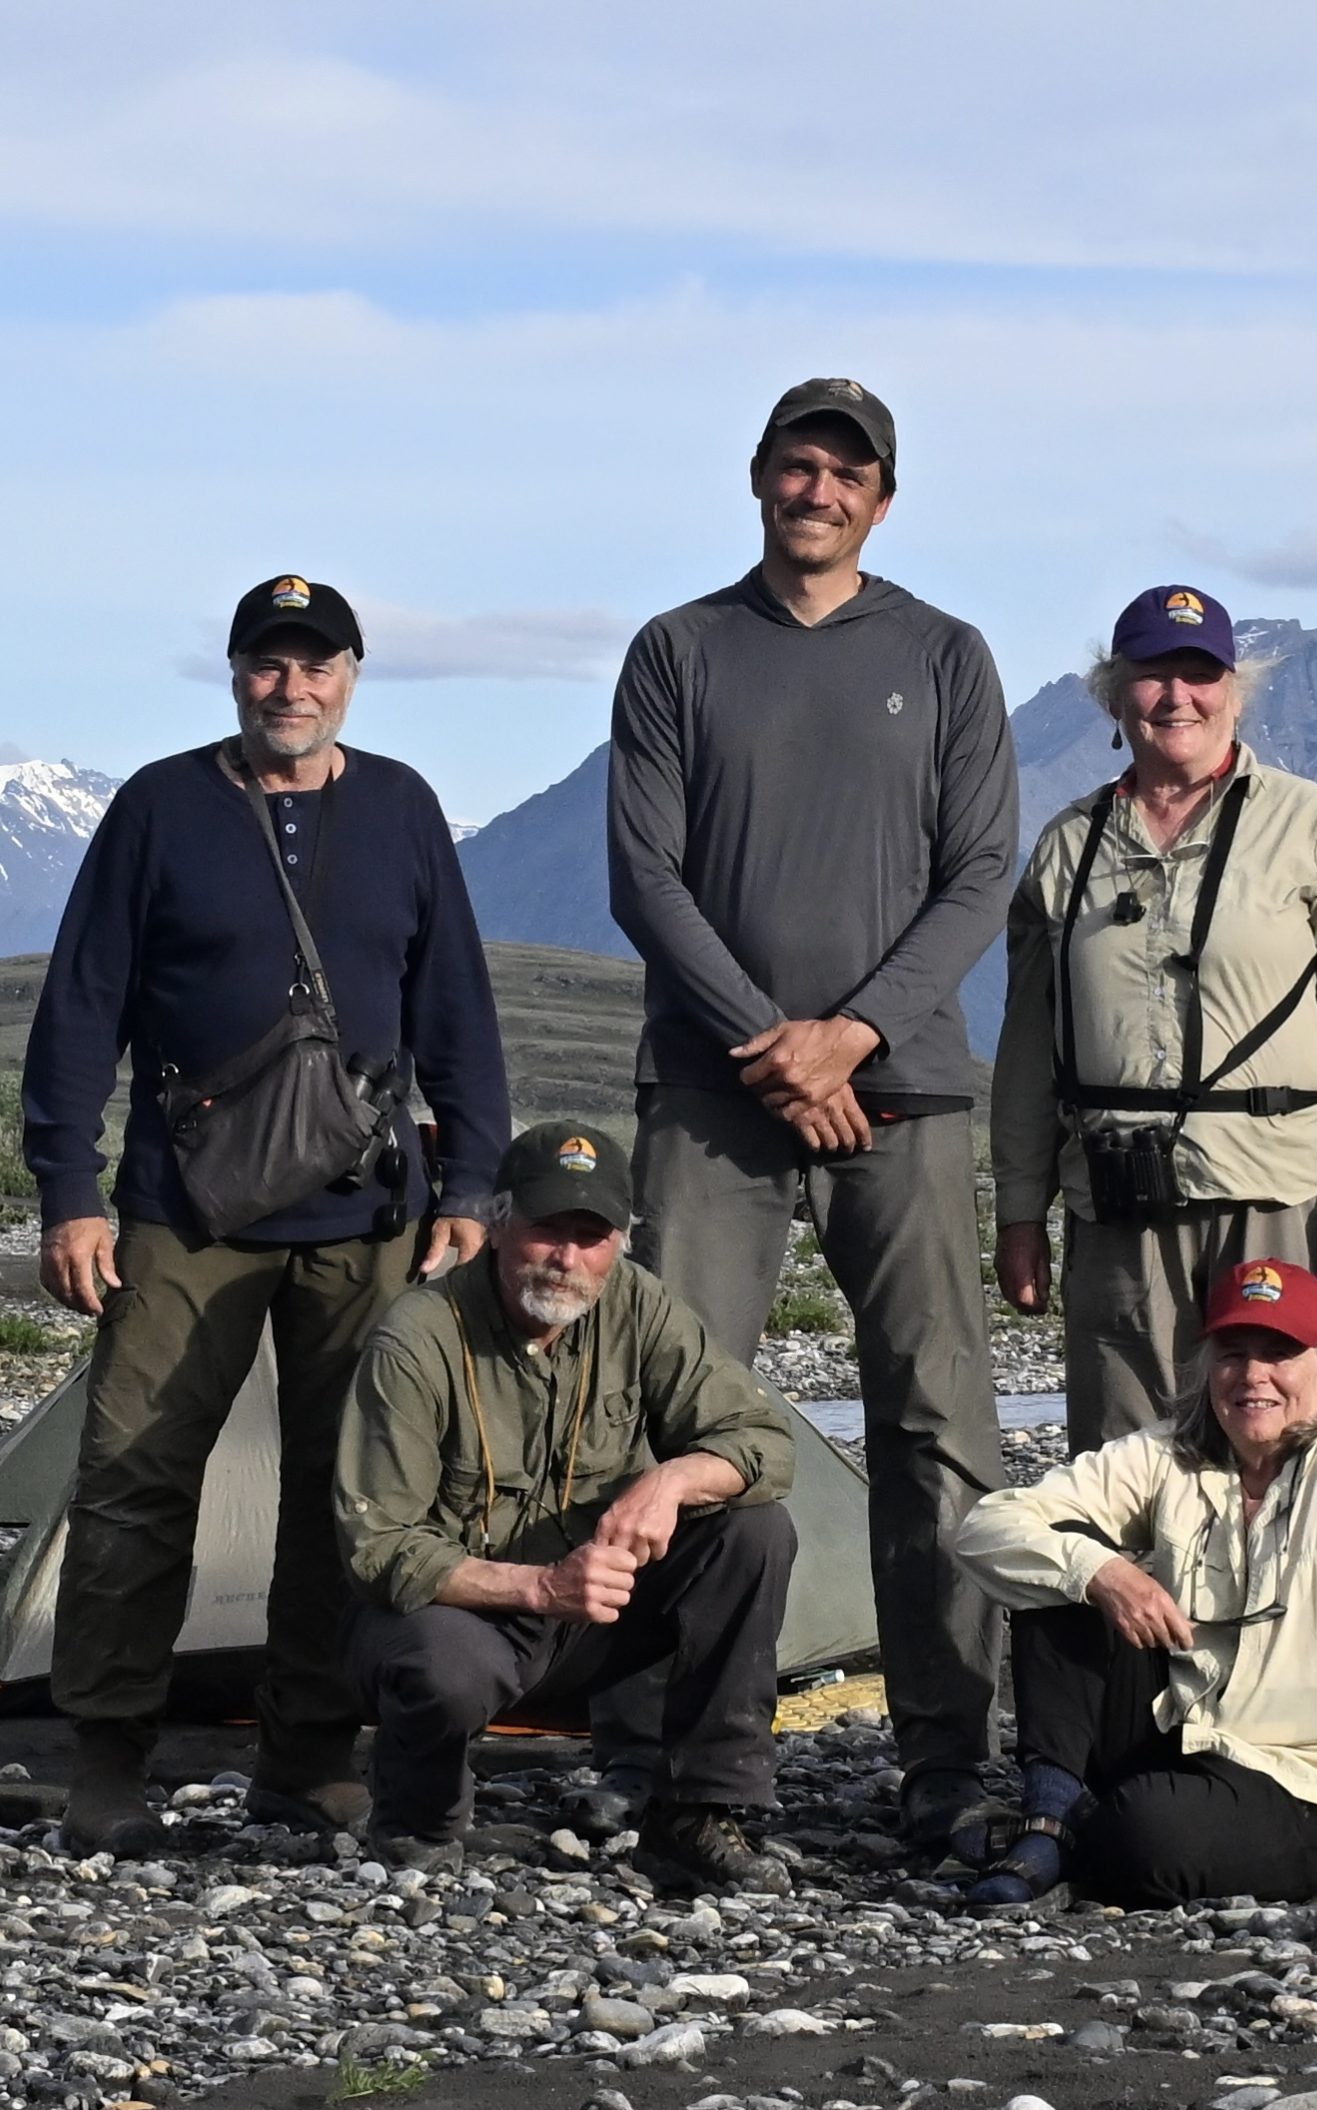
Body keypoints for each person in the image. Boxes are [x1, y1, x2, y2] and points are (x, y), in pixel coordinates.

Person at [22, 575, 508, 1857]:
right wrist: (68, 1194)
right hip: (182, 1211)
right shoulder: (159, 806)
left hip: (366, 1213)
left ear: (351, 673)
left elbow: (455, 1003)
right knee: (131, 1479)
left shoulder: (402, 806)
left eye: (314, 665)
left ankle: (307, 1754)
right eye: (266, 663)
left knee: (347, 1495)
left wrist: (470, 1191)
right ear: (234, 672)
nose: (290, 687)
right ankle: (108, 1760)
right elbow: (81, 1008)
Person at [606, 377, 1017, 1849]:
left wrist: (847, 1035)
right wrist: (770, 1043)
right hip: (712, 1098)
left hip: (902, 1096)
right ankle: (662, 1735)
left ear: (884, 499)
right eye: (798, 464)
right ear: (761, 479)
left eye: (849, 471)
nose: (820, 488)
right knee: (669, 1406)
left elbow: (980, 874)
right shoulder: (677, 653)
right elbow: (644, 878)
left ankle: (948, 1748)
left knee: (936, 1418)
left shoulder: (946, 656)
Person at [990, 584, 1317, 1454]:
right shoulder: (1067, 847)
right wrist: (1020, 1206)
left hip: (1277, 1192)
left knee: (1288, 1436)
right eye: (1153, 674)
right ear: (1116, 693)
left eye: (1200, 673)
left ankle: (1293, 1597)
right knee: (1124, 1451)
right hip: (1114, 1199)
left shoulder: (1310, 823)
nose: (1177, 696)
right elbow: (1030, 1047)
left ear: (1234, 688)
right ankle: (1141, 1596)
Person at [336, 1122, 799, 1893]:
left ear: (619, 1241)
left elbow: (762, 1442)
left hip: (590, 1616)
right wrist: (542, 1588)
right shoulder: (416, 1336)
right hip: (464, 1610)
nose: (567, 1257)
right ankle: (419, 1820)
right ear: (499, 1223)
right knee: (439, 1665)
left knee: (753, 1530)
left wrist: (672, 1479)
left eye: (592, 1236)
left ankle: (696, 1814)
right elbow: (378, 1546)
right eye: (548, 1228)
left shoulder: (637, 1305)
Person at [949, 1258, 1317, 1907]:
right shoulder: (1172, 1450)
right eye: (1233, 1354)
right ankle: (1050, 1814)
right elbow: (986, 1525)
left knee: (1145, 1830)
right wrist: (1105, 1571)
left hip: (1308, 1786)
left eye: (1278, 1353)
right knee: (1060, 1558)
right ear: (1208, 1365)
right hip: (1181, 1735)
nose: (1252, 1375)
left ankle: (1065, 1831)